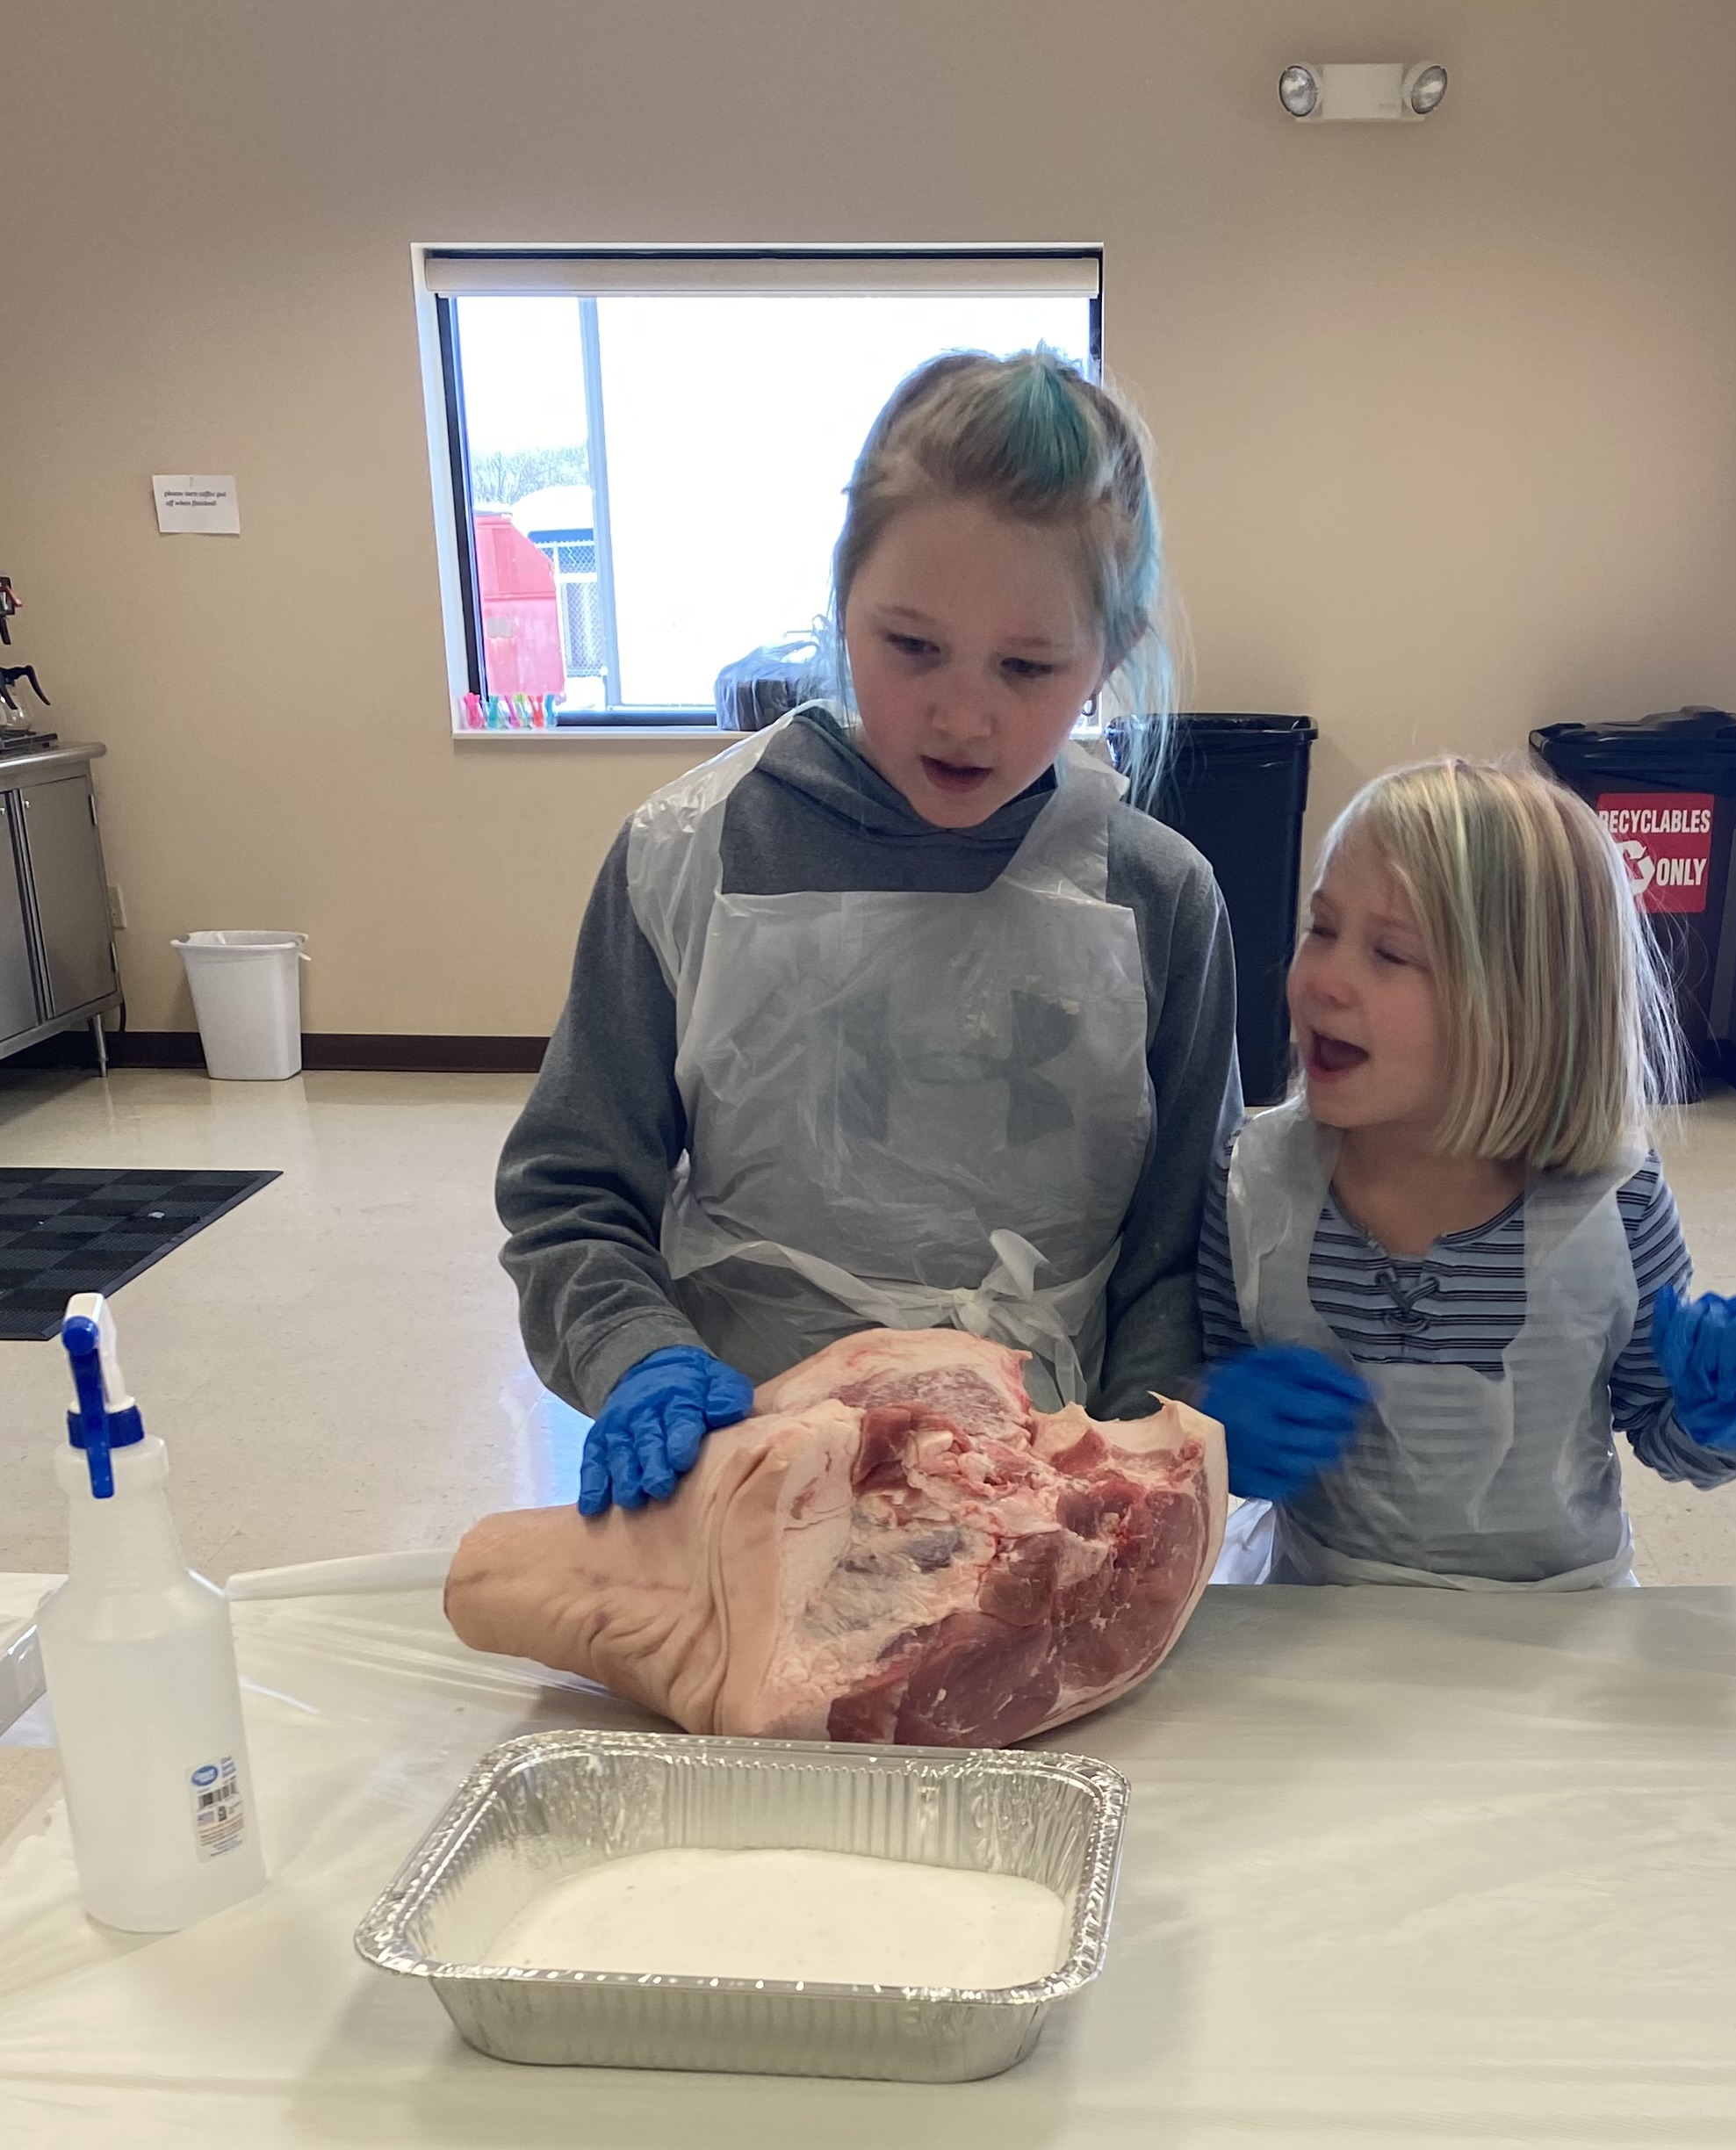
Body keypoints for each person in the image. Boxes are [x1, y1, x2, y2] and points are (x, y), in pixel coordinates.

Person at [498, 350, 1243, 1515]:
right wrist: (637, 1354)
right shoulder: (689, 857)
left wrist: (1134, 1469)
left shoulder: (1158, 902)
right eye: (909, 645)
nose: (960, 711)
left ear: (1110, 652)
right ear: (840, 603)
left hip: (1040, 1494)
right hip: (745, 1470)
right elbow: (570, 1191)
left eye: (1027, 665)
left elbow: (1174, 1263)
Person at [1199, 754, 1736, 1591]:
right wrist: (1210, 1429)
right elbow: (1195, 1402)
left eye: (1389, 952)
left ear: (1525, 1007)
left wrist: (1726, 1413)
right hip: (1314, 1604)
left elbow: (1665, 1433)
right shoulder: (1251, 1181)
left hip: (1556, 1624)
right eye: (1321, 928)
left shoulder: (1611, 1203)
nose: (1322, 979)